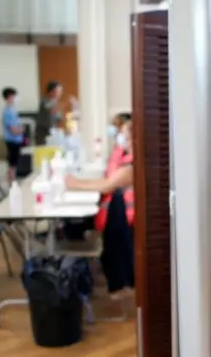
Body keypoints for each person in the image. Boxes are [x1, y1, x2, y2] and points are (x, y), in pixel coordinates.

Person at [66, 120, 134, 302]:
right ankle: (75, 273)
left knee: (73, 225)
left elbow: (106, 186)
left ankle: (74, 276)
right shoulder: (126, 158)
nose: (122, 140)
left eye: (126, 136)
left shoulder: (132, 166)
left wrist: (74, 184)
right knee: (71, 225)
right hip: (114, 215)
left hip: (120, 220)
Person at [1, 87, 23, 184]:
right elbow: (12, 129)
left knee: (14, 162)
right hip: (12, 140)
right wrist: (21, 130)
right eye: (14, 96)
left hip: (17, 140)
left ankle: (12, 181)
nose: (15, 98)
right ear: (9, 97)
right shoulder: (7, 111)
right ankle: (11, 182)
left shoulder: (13, 109)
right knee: (12, 163)